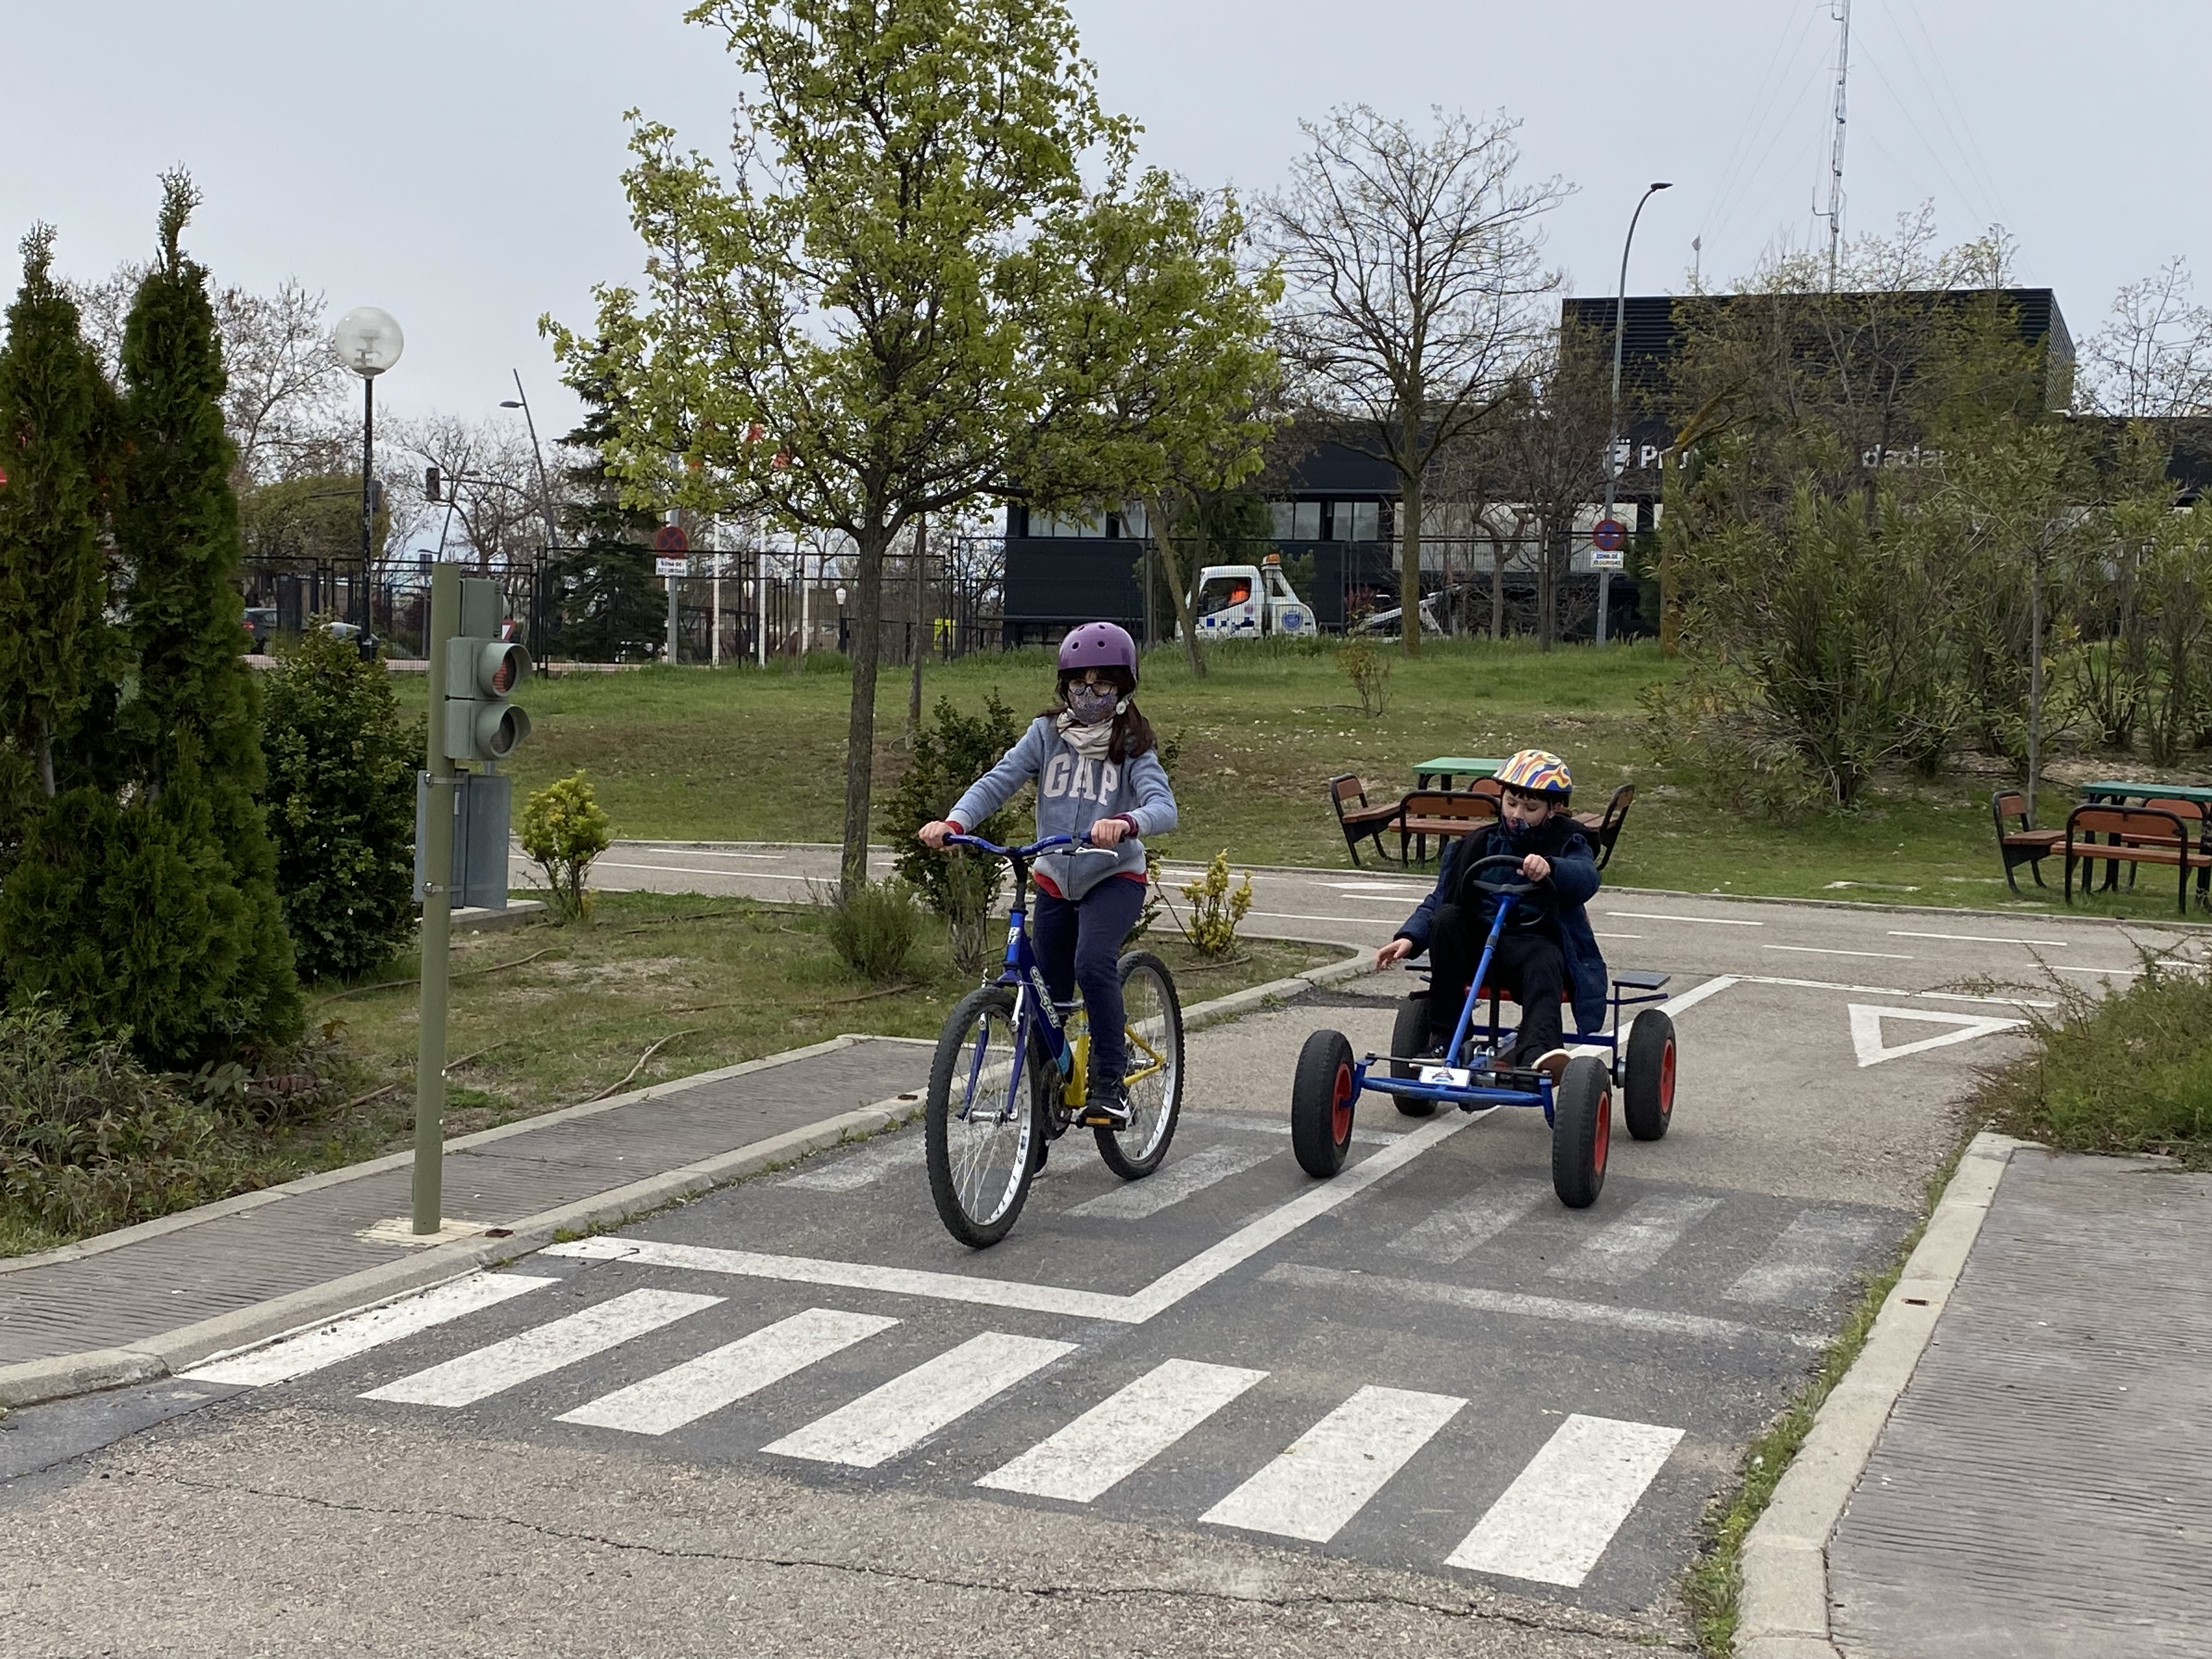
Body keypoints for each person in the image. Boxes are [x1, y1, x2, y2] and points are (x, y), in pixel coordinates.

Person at [918, 622, 1177, 1129]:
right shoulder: (1046, 735)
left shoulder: (1132, 745)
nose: (1089, 695)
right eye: (1079, 684)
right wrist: (955, 823)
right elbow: (999, 780)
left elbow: (1163, 807)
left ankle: (1109, 1082)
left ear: (1124, 689)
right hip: (1055, 876)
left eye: (1102, 685)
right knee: (1046, 996)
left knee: (1093, 962)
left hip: (1113, 877)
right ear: (1064, 687)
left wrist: (1127, 823)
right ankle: (1042, 1112)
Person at [1372, 749, 1607, 1082]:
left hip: (1532, 946)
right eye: (1511, 803)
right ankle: (1445, 1039)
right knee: (1447, 919)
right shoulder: (1478, 843)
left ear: (1553, 809)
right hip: (1480, 947)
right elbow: (1440, 898)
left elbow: (1586, 878)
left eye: (1530, 808)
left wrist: (1552, 868)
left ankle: (1537, 1052)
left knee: (1544, 958)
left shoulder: (1568, 840)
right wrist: (1410, 937)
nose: (1517, 815)